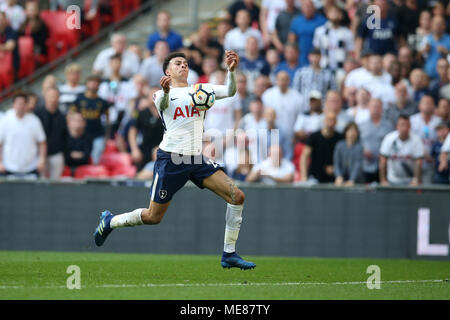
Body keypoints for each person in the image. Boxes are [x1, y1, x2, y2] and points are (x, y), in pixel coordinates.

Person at [93, 50, 256, 270]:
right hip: (171, 159)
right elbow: (162, 106)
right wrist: (167, 91)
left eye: (186, 64)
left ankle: (229, 254)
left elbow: (229, 90)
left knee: (237, 196)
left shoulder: (201, 90)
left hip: (196, 158)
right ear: (167, 71)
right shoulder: (161, 94)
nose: (183, 66)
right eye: (178, 63)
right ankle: (110, 221)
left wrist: (231, 71)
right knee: (153, 217)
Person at [0, 92, 46, 178]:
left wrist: (41, 160)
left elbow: (42, 142)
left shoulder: (34, 120)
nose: (20, 106)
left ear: (26, 105)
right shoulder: (5, 119)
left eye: (23, 104)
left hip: (31, 168)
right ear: (13, 105)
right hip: (9, 168)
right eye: (18, 103)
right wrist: (0, 162)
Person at [262, 70, 303, 160]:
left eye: (285, 79)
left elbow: (300, 118)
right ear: (276, 80)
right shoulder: (268, 95)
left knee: (288, 158)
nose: (282, 82)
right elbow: (266, 115)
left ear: (289, 81)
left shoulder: (297, 97)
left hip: (290, 135)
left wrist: (296, 133)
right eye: (280, 79)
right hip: (272, 133)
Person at [69, 75, 110, 165]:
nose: (93, 85)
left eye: (96, 83)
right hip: (81, 135)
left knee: (95, 159)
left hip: (97, 134)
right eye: (91, 82)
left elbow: (107, 120)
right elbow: (71, 116)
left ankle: (93, 176)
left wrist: (106, 136)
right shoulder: (79, 99)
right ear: (87, 84)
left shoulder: (102, 102)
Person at [379, 115, 425, 186]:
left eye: (407, 125)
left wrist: (416, 179)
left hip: (410, 181)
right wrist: (383, 180)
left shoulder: (416, 140)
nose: (404, 128)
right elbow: (383, 160)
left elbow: (418, 162)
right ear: (397, 126)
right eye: (402, 125)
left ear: (410, 126)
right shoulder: (389, 139)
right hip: (392, 180)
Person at [300, 111, 343, 183]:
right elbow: (304, 157)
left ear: (336, 123)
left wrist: (336, 170)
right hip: (314, 177)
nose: (331, 123)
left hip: (333, 179)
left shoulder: (339, 138)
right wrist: (304, 177)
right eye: (329, 119)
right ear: (324, 121)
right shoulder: (314, 137)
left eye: (333, 120)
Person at [313, 4, 354, 77]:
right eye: (332, 12)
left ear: (341, 15)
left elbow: (350, 52)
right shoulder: (320, 31)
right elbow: (316, 50)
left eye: (337, 12)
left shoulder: (347, 33)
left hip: (341, 69)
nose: (334, 14)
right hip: (323, 67)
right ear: (327, 15)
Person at [35, 87, 67, 179]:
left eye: (55, 96)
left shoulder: (62, 116)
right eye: (50, 96)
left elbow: (65, 136)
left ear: (58, 98)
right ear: (45, 97)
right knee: (41, 182)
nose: (53, 99)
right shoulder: (37, 114)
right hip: (40, 154)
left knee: (56, 182)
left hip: (56, 153)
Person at [358, 98, 393, 183]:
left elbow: (392, 143)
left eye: (378, 107)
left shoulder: (389, 126)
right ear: (369, 108)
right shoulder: (361, 125)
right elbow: (356, 143)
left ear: (381, 109)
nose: (375, 109)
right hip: (366, 165)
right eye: (373, 107)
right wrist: (363, 150)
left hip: (384, 166)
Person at [410, 95, 442, 184]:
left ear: (434, 106)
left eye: (430, 103)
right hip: (414, 161)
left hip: (432, 163)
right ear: (420, 105)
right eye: (425, 103)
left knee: (428, 189)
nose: (428, 105)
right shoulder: (412, 120)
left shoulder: (439, 121)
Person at [288, 0, 326, 67]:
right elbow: (292, 41)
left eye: (310, 7)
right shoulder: (296, 21)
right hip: (301, 56)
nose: (308, 9)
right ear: (302, 8)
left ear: (314, 8)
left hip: (318, 55)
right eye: (306, 7)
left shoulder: (322, 21)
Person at [419, 15, 450, 80]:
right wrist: (424, 51)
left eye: (440, 24)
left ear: (444, 26)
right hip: (428, 75)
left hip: (444, 78)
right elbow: (418, 58)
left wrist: (447, 52)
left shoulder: (449, 39)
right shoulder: (426, 39)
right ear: (431, 25)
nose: (438, 26)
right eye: (435, 24)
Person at [333, 122, 364, 186]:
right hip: (342, 179)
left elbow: (357, 164)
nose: (352, 133)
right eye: (350, 130)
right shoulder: (339, 145)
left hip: (356, 180)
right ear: (345, 132)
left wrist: (352, 179)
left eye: (354, 131)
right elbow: (336, 162)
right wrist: (338, 176)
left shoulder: (359, 147)